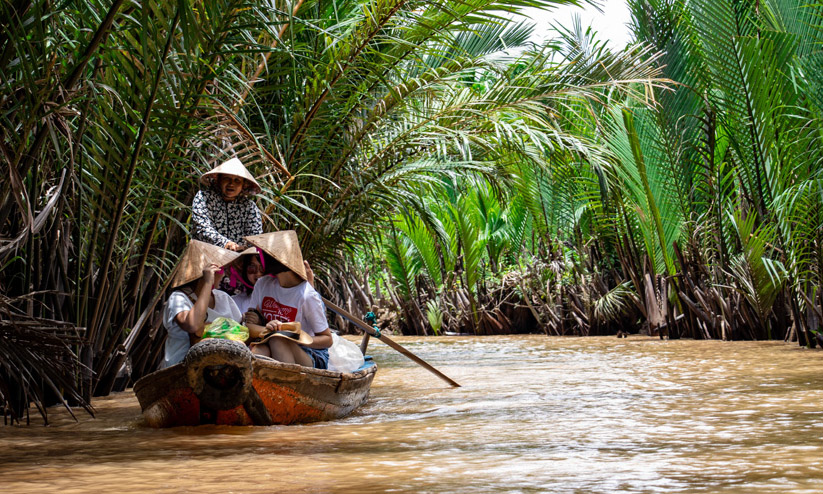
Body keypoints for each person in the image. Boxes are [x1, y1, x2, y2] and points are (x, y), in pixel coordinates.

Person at [243, 231, 332, 369]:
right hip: (271, 342)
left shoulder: (307, 295)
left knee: (278, 339)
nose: (260, 260)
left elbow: (327, 339)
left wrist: (296, 337)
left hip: (310, 353)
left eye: (263, 255)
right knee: (259, 350)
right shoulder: (262, 284)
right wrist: (269, 329)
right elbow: (249, 325)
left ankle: (289, 385)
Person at [160, 240, 243, 369]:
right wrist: (207, 282)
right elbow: (193, 325)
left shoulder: (223, 297)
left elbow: (240, 330)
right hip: (183, 367)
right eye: (220, 270)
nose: (224, 275)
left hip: (225, 365)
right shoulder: (179, 297)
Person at [191, 157, 263, 252]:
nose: (231, 184)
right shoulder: (204, 198)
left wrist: (248, 253)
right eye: (227, 179)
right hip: (206, 255)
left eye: (237, 180)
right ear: (219, 180)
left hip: (238, 259)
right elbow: (201, 228)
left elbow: (255, 237)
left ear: (243, 185)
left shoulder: (249, 207)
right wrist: (226, 244)